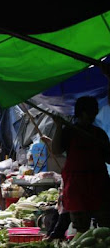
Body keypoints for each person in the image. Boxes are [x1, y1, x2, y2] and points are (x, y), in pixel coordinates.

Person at [51, 96, 110, 235]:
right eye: (89, 112)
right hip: (77, 188)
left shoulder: (99, 134)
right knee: (81, 229)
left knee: (105, 228)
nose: (92, 115)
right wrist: (59, 127)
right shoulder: (69, 131)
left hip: (99, 186)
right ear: (80, 112)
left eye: (94, 112)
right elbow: (56, 150)